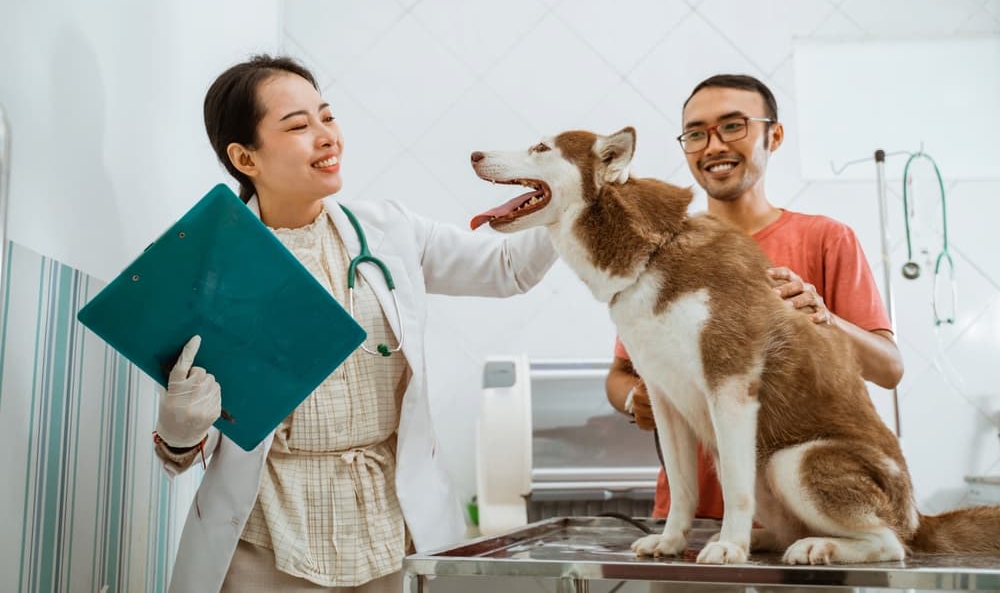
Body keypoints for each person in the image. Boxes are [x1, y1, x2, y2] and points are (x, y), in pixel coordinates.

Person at [152, 54, 557, 593]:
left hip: (388, 528)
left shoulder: (390, 230)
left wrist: (573, 199)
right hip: (269, 536)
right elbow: (183, 454)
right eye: (298, 126)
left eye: (327, 116)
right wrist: (180, 429)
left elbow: (508, 270)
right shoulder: (211, 264)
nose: (326, 136)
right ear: (244, 157)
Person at [605, 73, 904, 523]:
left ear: (774, 135)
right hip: (696, 518)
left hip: (810, 515)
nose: (713, 146)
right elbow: (620, 374)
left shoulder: (826, 238)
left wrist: (823, 317)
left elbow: (889, 368)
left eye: (733, 126)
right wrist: (635, 399)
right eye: (696, 134)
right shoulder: (659, 251)